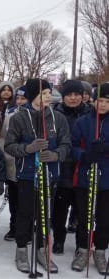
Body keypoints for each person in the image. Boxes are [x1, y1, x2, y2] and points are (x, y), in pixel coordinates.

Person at [4, 78, 71, 274]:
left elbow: (66, 143)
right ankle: (22, 248)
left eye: (49, 93)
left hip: (50, 174)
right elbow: (9, 146)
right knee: (25, 212)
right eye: (43, 94)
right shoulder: (19, 117)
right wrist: (28, 148)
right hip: (27, 174)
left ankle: (42, 249)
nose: (48, 97)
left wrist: (56, 154)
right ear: (33, 96)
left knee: (45, 214)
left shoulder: (58, 118)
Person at [70, 82, 109, 275]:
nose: (102, 105)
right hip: (86, 176)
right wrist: (84, 155)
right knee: (84, 216)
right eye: (99, 100)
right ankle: (83, 250)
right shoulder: (83, 121)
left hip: (106, 179)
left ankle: (100, 251)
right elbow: (73, 146)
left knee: (104, 218)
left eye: (107, 101)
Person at [52, 80, 90, 255]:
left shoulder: (90, 113)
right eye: (69, 95)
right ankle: (58, 240)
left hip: (83, 169)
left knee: (82, 211)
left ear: (82, 96)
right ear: (63, 96)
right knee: (60, 209)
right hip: (62, 168)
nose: (73, 98)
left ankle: (80, 244)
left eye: (77, 95)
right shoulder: (56, 113)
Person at [0, 85, 28, 241]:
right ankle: (14, 226)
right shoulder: (10, 114)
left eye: (24, 98)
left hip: (29, 166)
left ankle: (27, 228)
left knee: (27, 200)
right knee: (14, 198)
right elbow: (3, 137)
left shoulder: (36, 116)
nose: (20, 101)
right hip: (13, 164)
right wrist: (6, 154)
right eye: (18, 98)